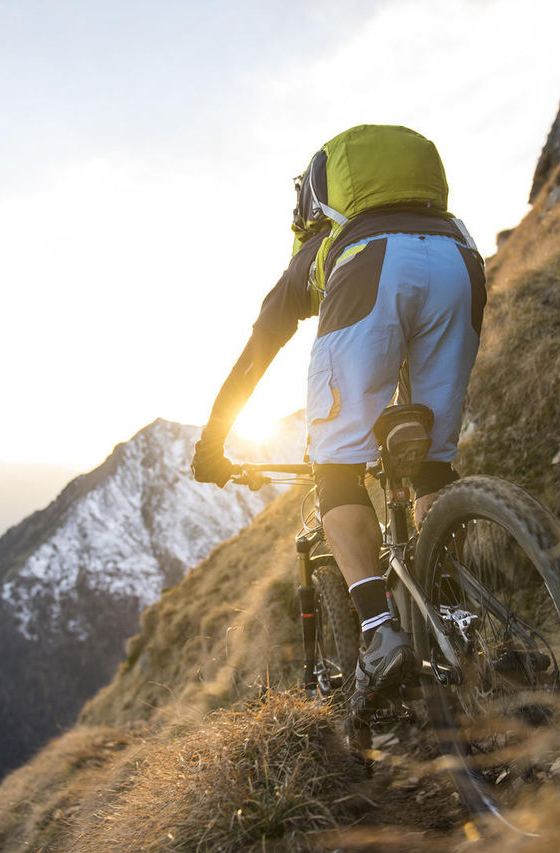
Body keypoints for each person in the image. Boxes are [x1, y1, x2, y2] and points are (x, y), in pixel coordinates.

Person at [192, 124, 485, 700]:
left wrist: (212, 444)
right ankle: (453, 613)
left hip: (374, 270)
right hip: (462, 263)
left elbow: (257, 352)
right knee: (432, 465)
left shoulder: (326, 249)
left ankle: (378, 633)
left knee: (337, 468)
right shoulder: (440, 225)